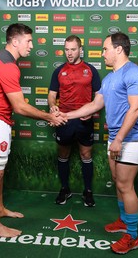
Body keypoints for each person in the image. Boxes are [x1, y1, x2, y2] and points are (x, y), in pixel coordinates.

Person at [0, 23, 66, 238]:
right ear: (15, 41)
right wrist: (48, 116)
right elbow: (20, 106)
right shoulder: (8, 66)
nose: (32, 46)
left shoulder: (3, 58)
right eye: (28, 41)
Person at [66, 32, 138, 254]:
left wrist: (120, 139)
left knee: (125, 185)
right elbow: (95, 105)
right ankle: (124, 221)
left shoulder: (134, 73)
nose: (102, 53)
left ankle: (132, 236)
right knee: (116, 180)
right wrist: (67, 115)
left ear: (119, 49)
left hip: (133, 138)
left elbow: (136, 109)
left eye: (105, 49)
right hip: (116, 137)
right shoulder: (109, 77)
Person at [48, 35, 101, 207]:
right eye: (66, 49)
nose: (69, 53)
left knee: (86, 155)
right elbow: (51, 95)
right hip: (64, 119)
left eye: (73, 49)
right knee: (63, 154)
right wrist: (52, 107)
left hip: (84, 120)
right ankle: (65, 189)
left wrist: (92, 112)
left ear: (80, 49)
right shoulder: (58, 71)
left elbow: (99, 97)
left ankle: (87, 191)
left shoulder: (91, 70)